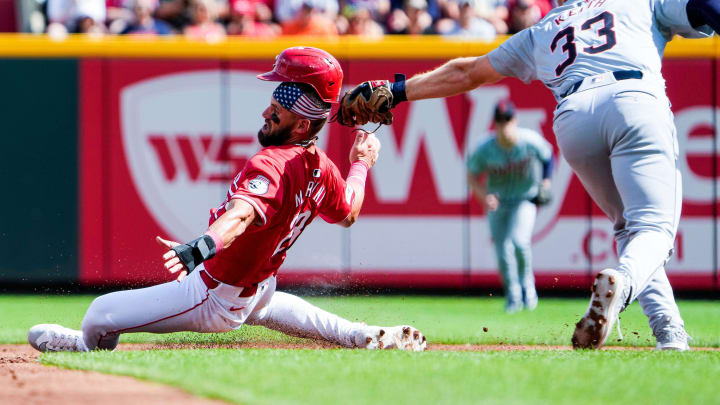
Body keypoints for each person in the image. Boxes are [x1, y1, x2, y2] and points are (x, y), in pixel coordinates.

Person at [337, 0, 720, 350]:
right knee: (654, 229)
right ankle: (620, 292)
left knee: (629, 229)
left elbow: (467, 72)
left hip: (573, 117)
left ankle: (670, 332)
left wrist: (398, 90)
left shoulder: (543, 28)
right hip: (633, 97)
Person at [27, 47, 426, 354]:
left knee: (99, 314)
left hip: (216, 293)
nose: (268, 110)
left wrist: (202, 246)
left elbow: (240, 215)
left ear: (302, 122)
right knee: (267, 306)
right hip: (257, 286)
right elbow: (349, 212)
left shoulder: (272, 162)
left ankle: (88, 346)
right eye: (275, 96)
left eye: (281, 103)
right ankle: (363, 337)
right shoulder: (320, 164)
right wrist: (360, 164)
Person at [467, 100, 553, 313]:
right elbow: (471, 175)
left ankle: (528, 291)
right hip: (499, 201)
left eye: (507, 120)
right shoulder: (485, 147)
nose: (504, 124)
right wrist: (484, 196)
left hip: (525, 198)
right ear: (494, 123)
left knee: (519, 242)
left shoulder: (529, 140)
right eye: (500, 121)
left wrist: (546, 182)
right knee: (502, 251)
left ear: (515, 120)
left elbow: (548, 156)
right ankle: (513, 297)